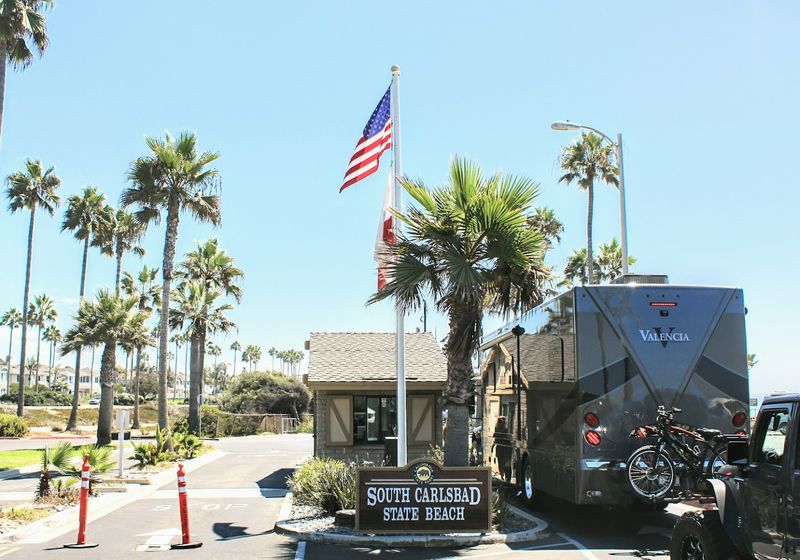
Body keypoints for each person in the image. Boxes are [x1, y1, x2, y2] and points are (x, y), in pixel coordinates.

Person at [492, 416, 512, 482]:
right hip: (502, 447)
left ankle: (505, 476)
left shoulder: (505, 429)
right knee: (502, 462)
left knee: (504, 462)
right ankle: (503, 476)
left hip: (505, 448)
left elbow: (496, 438)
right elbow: (495, 438)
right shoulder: (498, 428)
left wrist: (493, 446)